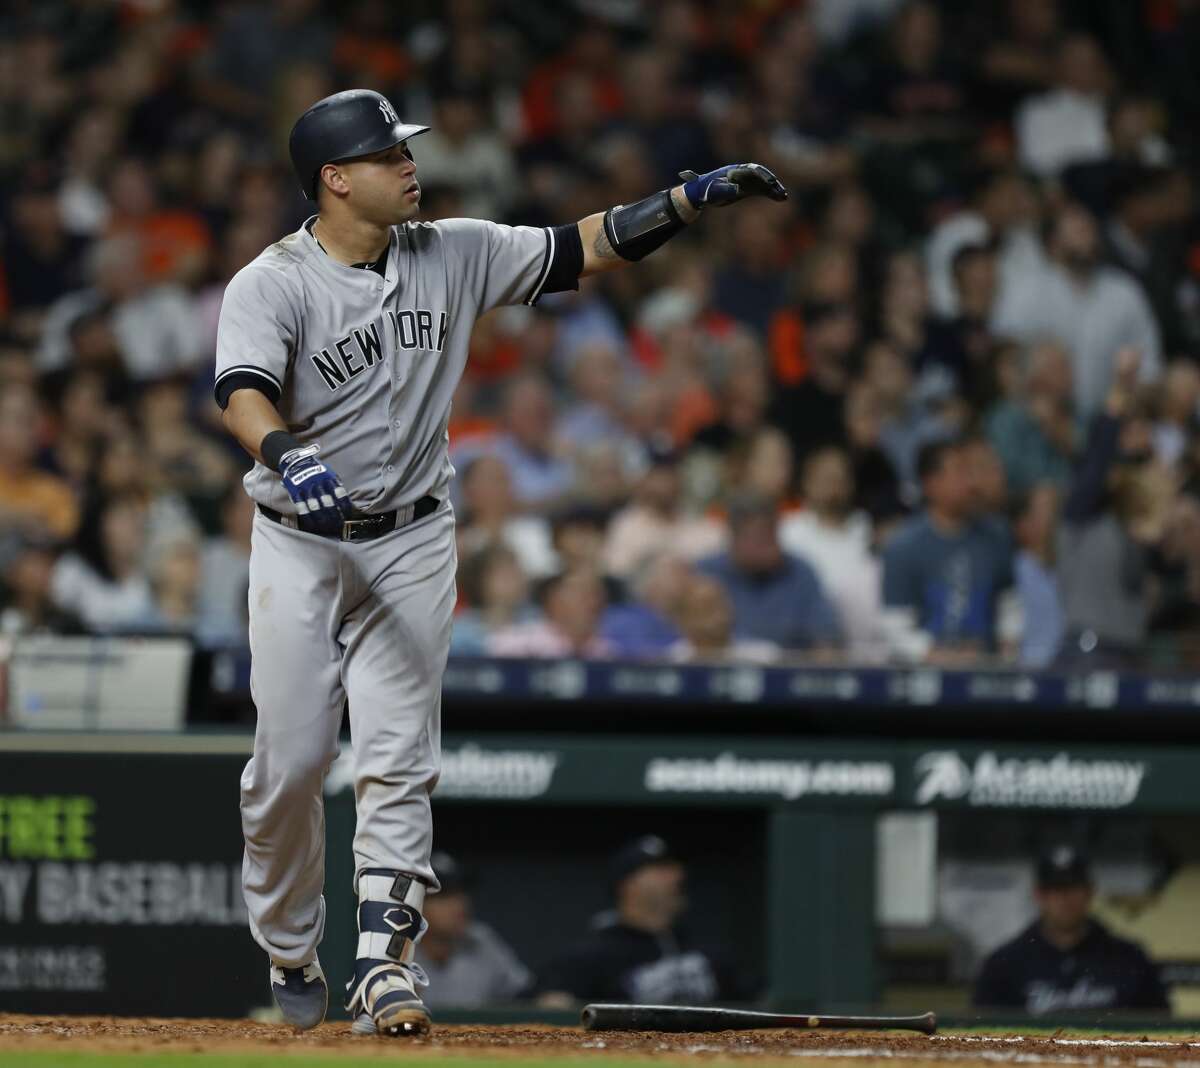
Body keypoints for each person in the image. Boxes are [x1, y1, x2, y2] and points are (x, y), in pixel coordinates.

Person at [213, 87, 787, 1037]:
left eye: (406, 149)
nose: (409, 163)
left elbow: (582, 246)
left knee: (399, 755)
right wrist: (283, 453)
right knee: (292, 764)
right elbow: (241, 390)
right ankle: (287, 940)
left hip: (412, 534)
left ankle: (386, 965)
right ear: (334, 178)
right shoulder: (271, 281)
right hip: (300, 541)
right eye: (388, 153)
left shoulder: (455, 248)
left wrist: (688, 201)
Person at [539, 835, 745, 1004]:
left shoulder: (708, 950)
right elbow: (546, 1007)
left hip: (709, 1053)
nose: (677, 875)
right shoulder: (589, 958)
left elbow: (759, 1003)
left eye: (674, 867)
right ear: (627, 885)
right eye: (660, 869)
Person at [973, 847, 1169, 1015]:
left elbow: (1161, 1028)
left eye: (1073, 888)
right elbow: (982, 1034)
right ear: (1038, 895)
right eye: (1055, 889)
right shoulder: (1005, 964)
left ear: (1090, 892)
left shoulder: (1129, 959)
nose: (1064, 899)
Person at [881, 440, 1013, 662]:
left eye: (971, 472)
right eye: (960, 472)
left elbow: (1010, 602)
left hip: (987, 672)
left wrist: (1009, 648)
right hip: (924, 679)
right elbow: (895, 625)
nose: (971, 483)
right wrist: (941, 657)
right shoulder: (903, 546)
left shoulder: (996, 536)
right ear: (930, 483)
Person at [697, 493, 840, 652]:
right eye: (760, 539)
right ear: (733, 538)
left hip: (788, 670)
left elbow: (826, 640)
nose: (771, 549)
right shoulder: (705, 574)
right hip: (721, 670)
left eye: (773, 536)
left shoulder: (801, 572)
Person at [412, 851, 533, 1009]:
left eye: (460, 893)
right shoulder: (391, 952)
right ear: (413, 904)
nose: (459, 905)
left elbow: (524, 995)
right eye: (443, 897)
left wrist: (545, 1000)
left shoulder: (481, 940)